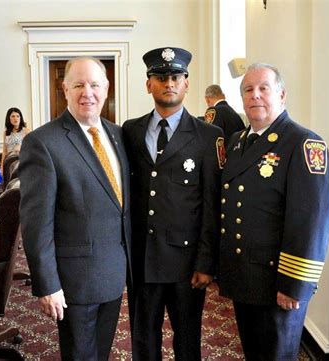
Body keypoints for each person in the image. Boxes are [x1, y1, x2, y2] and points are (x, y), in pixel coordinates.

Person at [218, 63, 329, 360]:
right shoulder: (236, 143)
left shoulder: (304, 143)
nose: (255, 95)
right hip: (245, 278)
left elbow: (312, 221)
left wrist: (294, 284)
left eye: (263, 88)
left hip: (278, 283)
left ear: (281, 95)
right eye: (248, 90)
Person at [19, 56, 131, 361]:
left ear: (106, 88)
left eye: (95, 84)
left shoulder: (118, 135)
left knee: (102, 353)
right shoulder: (42, 142)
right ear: (64, 88)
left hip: (114, 274)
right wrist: (48, 284)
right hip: (74, 282)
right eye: (79, 84)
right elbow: (35, 223)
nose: (88, 92)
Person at [123, 47, 224, 361]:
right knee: (143, 340)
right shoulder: (130, 131)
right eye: (161, 77)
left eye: (176, 77)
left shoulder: (209, 136)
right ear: (148, 84)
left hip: (186, 263)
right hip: (143, 259)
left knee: (188, 340)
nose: (169, 83)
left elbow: (211, 204)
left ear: (186, 83)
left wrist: (206, 262)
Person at [1, 107, 30, 175]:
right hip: (8, 161)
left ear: (20, 118)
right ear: (9, 118)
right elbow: (4, 150)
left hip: (21, 161)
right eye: (13, 116)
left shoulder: (26, 131)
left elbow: (30, 148)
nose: (15, 118)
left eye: (17, 116)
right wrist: (2, 166)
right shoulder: (6, 132)